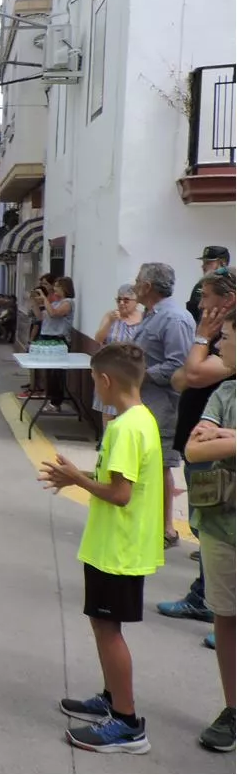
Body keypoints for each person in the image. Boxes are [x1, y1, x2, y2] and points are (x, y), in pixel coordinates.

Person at [38, 342, 163, 754]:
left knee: (109, 630)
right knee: (102, 624)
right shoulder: (141, 419)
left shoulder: (126, 428)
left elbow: (120, 493)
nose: (95, 387)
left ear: (106, 381)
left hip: (119, 549)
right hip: (118, 546)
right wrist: (77, 476)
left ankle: (127, 724)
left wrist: (76, 478)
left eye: (94, 380)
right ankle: (111, 699)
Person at [160, 269, 236, 630]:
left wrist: (203, 337)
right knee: (206, 522)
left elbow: (191, 375)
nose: (201, 304)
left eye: (206, 297)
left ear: (229, 299)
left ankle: (213, 605)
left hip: (219, 453)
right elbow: (182, 376)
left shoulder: (226, 338)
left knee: (217, 523)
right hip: (203, 435)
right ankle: (208, 598)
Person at [184, 308, 235, 753]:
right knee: (226, 618)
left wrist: (224, 440)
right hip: (222, 525)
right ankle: (232, 709)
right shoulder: (225, 393)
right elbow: (194, 449)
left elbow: (208, 443)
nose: (219, 345)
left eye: (227, 336)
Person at [133, 262, 195, 548]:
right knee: (146, 466)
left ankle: (166, 530)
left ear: (147, 286)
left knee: (160, 467)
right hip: (145, 404)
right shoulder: (153, 315)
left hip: (164, 407)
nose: (134, 285)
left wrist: (140, 375)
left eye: (137, 281)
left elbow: (179, 365)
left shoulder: (174, 318)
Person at [92, 284, 144, 429]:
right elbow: (98, 339)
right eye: (119, 300)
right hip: (111, 369)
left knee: (127, 409)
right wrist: (109, 322)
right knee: (108, 411)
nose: (122, 303)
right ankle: (106, 439)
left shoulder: (143, 318)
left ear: (136, 302)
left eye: (126, 300)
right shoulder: (111, 316)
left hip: (130, 371)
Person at [33, 276, 76, 413]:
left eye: (57, 286)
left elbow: (53, 314)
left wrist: (45, 299)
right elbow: (41, 317)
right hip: (47, 338)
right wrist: (34, 302)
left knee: (56, 373)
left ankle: (56, 402)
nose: (54, 288)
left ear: (65, 288)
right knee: (49, 372)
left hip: (59, 340)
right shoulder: (57, 302)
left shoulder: (68, 303)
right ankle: (52, 399)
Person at [188, 246, 231, 323]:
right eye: (203, 263)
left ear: (222, 263)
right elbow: (192, 314)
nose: (203, 266)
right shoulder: (199, 286)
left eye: (208, 263)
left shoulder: (231, 286)